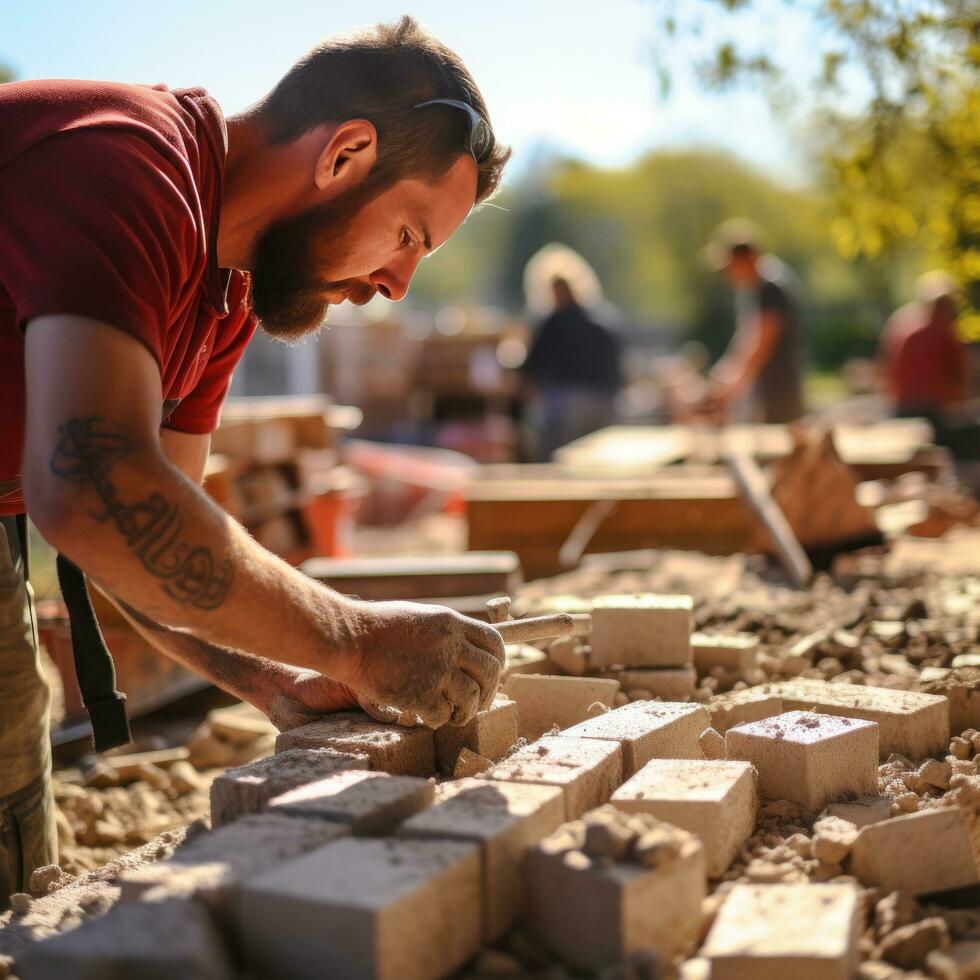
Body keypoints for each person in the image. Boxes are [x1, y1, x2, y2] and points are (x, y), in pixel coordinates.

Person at [0, 17, 510, 902]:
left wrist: (271, 679)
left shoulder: (230, 288)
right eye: (409, 236)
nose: (398, 286)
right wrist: (353, 638)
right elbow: (93, 488)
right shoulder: (129, 165)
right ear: (345, 153)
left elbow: (147, 542)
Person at [702, 219, 805, 424]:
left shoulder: (770, 287)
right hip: (769, 391)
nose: (728, 275)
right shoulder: (757, 288)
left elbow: (761, 344)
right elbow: (746, 338)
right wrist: (726, 372)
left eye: (730, 267)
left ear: (746, 258)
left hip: (775, 393)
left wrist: (730, 386)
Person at [521, 275, 622, 458]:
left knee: (557, 456)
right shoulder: (599, 322)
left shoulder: (553, 324)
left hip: (566, 401)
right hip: (604, 399)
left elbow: (532, 362)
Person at [878, 271, 970, 443]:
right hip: (934, 409)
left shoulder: (899, 321)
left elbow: (884, 367)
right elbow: (959, 374)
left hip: (901, 405)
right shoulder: (942, 330)